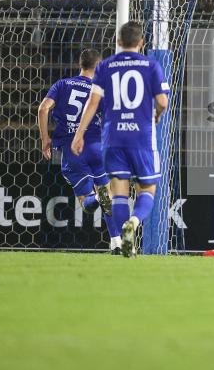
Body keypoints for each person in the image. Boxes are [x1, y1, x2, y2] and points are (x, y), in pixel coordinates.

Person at [71, 22, 170, 258]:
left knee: (118, 193)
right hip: (141, 138)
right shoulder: (151, 65)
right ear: (141, 43)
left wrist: (79, 134)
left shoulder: (105, 66)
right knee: (147, 188)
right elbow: (163, 101)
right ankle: (134, 222)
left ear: (118, 42)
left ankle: (126, 245)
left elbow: (92, 104)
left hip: (113, 138)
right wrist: (156, 115)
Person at [38, 49, 121, 254]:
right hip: (96, 147)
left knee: (86, 203)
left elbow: (43, 109)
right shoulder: (99, 89)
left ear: (80, 64)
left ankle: (98, 199)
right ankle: (117, 242)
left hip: (72, 150)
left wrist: (45, 139)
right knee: (106, 194)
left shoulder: (62, 84)